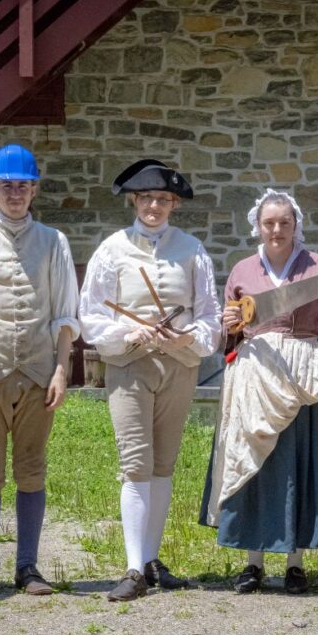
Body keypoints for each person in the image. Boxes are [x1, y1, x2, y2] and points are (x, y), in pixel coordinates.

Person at [200, 188, 318, 595]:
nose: (276, 230)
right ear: (257, 225)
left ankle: (295, 563)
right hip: (255, 375)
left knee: (299, 465)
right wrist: (230, 325)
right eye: (269, 223)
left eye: (284, 223)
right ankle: (252, 561)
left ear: (296, 225)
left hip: (306, 373)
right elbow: (230, 331)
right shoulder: (242, 271)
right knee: (253, 463)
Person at [79, 159, 221, 602]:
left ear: (173, 203)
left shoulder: (193, 250)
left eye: (162, 199)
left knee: (163, 465)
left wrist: (186, 336)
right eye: (146, 199)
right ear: (134, 202)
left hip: (178, 366)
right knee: (136, 464)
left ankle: (152, 558)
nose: (154, 206)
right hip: (130, 367)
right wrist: (129, 331)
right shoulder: (112, 249)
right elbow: (92, 315)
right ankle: (133, 567)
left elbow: (211, 316)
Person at [0, 143, 80, 596]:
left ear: (34, 189)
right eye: (6, 185)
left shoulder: (53, 241)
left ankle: (28, 566)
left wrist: (62, 369)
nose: (15, 193)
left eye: (23, 185)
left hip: (37, 372)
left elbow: (65, 312)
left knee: (31, 469)